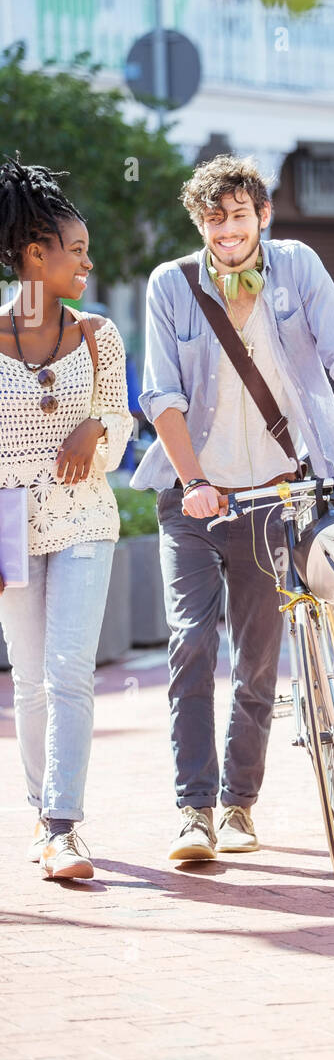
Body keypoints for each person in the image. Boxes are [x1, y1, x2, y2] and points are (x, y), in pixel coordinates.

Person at [132, 154, 334, 864]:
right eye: (213, 218)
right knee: (191, 645)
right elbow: (163, 396)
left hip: (280, 491)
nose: (226, 230)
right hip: (197, 501)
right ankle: (194, 812)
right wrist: (192, 481)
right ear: (199, 223)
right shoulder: (171, 286)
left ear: (261, 217)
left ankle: (240, 804)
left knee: (257, 659)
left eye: (238, 215)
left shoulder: (299, 267)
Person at [0, 158, 132, 880]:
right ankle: (39, 811)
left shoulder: (96, 336)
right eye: (75, 250)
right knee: (27, 676)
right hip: (7, 524)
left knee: (68, 669)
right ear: (33, 256)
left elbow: (120, 416)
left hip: (84, 517)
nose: (87, 261)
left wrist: (95, 429)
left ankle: (63, 826)